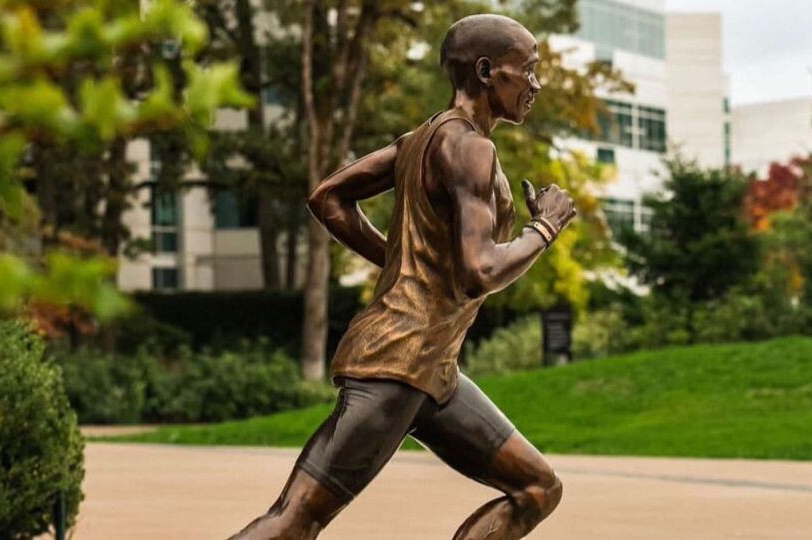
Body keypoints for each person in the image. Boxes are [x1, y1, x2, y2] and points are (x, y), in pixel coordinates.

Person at [230, 13, 577, 540]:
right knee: (295, 518)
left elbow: (328, 197)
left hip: (433, 369)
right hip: (397, 362)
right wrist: (544, 229)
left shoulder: (421, 139)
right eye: (526, 69)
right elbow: (480, 270)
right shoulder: (470, 148)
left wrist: (401, 262)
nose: (536, 84)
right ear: (486, 72)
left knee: (537, 488)